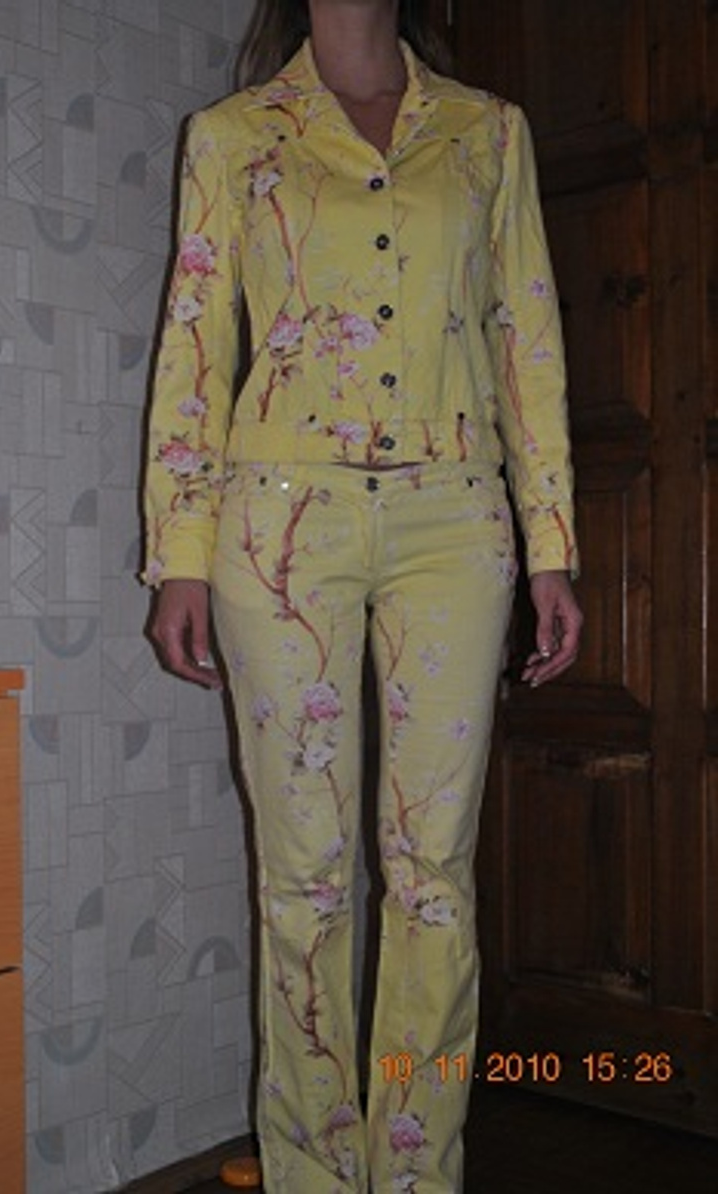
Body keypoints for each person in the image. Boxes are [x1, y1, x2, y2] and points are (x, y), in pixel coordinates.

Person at [142, 1, 583, 1189]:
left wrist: (551, 544)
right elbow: (195, 345)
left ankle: (415, 1170)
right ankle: (311, 1173)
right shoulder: (233, 135)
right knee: (305, 877)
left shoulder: (488, 132)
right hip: (279, 521)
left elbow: (525, 335)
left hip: (455, 517)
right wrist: (179, 552)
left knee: (432, 872)